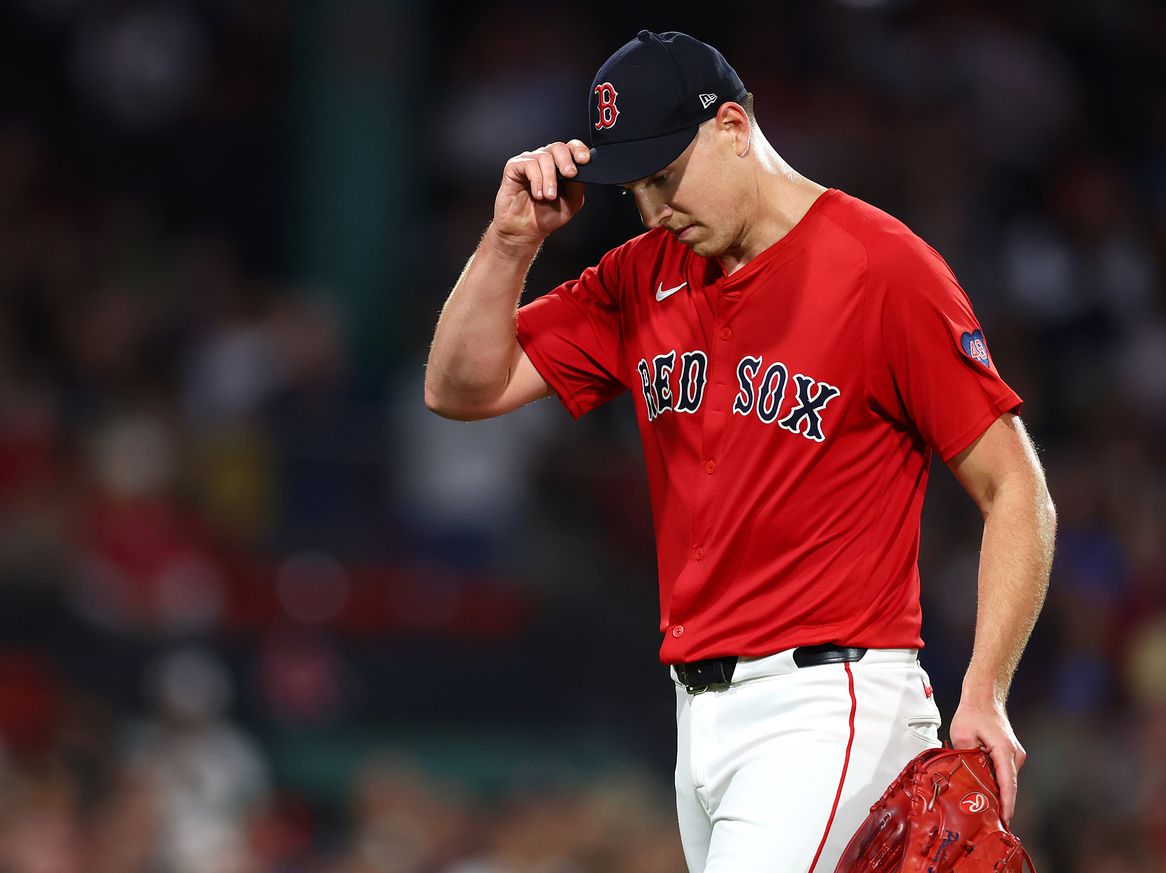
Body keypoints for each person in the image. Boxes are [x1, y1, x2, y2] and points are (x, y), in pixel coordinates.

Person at [424, 29, 1056, 873]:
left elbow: (1016, 487)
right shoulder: (642, 274)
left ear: (730, 126)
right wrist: (511, 242)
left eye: (666, 176)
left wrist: (987, 688)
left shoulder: (882, 269)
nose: (654, 209)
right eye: (636, 186)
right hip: (699, 716)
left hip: (828, 704)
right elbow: (460, 387)